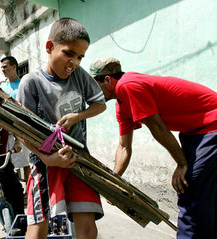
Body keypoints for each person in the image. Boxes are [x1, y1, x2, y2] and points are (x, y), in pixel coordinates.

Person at [89, 57, 217, 239]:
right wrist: (114, 182)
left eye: (94, 85)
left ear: (108, 80)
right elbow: (124, 147)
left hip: (211, 125)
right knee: (202, 194)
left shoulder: (128, 85)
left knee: (190, 189)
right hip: (193, 133)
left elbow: (158, 128)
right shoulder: (121, 105)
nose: (91, 92)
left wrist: (181, 164)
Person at [17, 17, 106, 239]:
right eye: (69, 53)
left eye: (80, 57)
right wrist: (46, 158)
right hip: (45, 164)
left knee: (87, 228)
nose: (74, 62)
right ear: (50, 47)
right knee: (38, 228)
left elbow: (100, 104)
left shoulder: (79, 75)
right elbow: (20, 129)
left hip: (79, 161)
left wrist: (78, 116)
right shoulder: (31, 82)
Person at [0, 56, 31, 182]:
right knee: (9, 163)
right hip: (6, 130)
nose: (3, 69)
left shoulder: (24, 84)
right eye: (1, 67)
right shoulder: (2, 87)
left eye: (5, 66)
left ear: (14, 67)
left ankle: (28, 193)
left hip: (22, 129)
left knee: (26, 162)